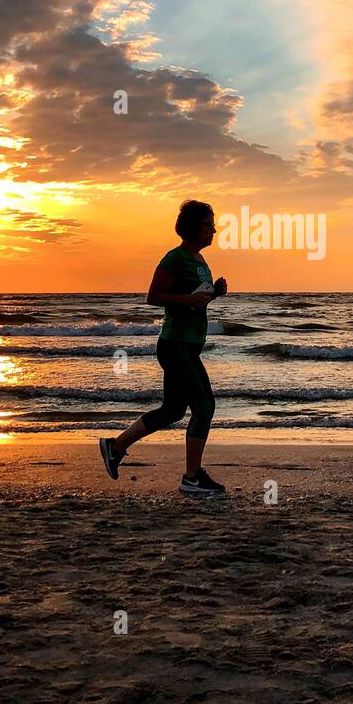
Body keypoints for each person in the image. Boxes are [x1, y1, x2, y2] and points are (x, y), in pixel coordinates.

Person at [99, 199, 228, 495]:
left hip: (189, 345)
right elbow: (153, 296)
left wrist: (214, 293)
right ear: (194, 227)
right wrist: (188, 300)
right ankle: (192, 476)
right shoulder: (175, 258)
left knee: (172, 410)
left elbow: (196, 300)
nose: (214, 229)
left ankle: (115, 447)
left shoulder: (199, 262)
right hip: (175, 345)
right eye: (209, 224)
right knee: (205, 406)